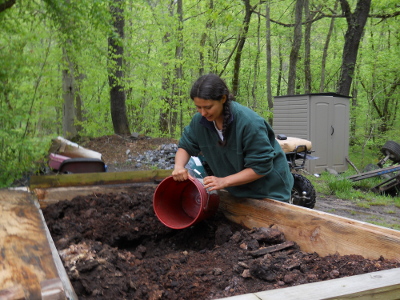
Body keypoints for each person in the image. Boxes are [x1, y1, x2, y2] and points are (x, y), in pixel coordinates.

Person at [172, 73, 294, 202]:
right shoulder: (199, 121)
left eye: (208, 107)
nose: (203, 113)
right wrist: (179, 167)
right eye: (198, 107)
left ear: (223, 99)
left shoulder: (249, 123)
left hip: (269, 191)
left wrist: (224, 181)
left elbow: (260, 167)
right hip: (236, 190)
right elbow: (185, 146)